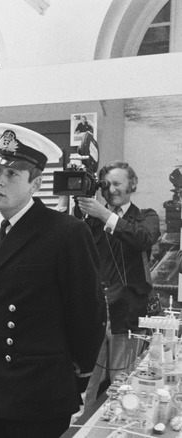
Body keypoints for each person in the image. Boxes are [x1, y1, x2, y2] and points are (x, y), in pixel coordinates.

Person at [0, 123, 105, 438]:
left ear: (36, 183)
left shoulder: (66, 232)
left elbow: (87, 313)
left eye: (12, 174)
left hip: (40, 390)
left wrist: (79, 378)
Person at [79, 161, 160, 412]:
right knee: (88, 381)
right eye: (106, 184)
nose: (111, 189)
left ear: (132, 185)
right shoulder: (90, 220)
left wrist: (106, 215)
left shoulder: (146, 216)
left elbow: (143, 238)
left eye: (117, 183)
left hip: (127, 312)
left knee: (123, 379)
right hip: (95, 311)